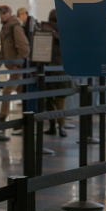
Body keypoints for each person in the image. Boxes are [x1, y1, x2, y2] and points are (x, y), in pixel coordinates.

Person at [0, 5, 30, 128]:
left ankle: (2, 118)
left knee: (7, 90)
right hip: (12, 67)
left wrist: (18, 64)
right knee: (21, 91)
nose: (2, 15)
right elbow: (3, 50)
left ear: (9, 14)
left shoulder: (15, 27)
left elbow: (24, 47)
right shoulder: (5, 29)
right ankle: (28, 117)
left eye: (4, 13)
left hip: (17, 68)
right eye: (0, 13)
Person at [42, 9, 70, 137]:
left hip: (48, 70)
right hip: (63, 70)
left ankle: (53, 125)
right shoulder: (66, 32)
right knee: (60, 101)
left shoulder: (45, 30)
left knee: (50, 100)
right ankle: (61, 126)